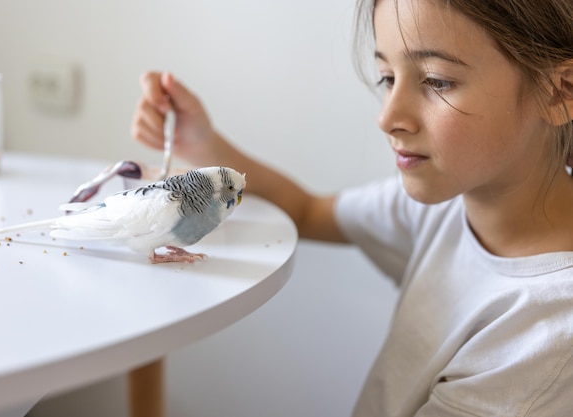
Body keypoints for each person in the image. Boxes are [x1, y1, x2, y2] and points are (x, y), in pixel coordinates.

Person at [131, 0, 573, 415]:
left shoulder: (547, 335)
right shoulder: (444, 205)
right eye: (387, 78)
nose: (387, 116)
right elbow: (304, 212)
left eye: (437, 80)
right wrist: (200, 141)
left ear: (560, 92)